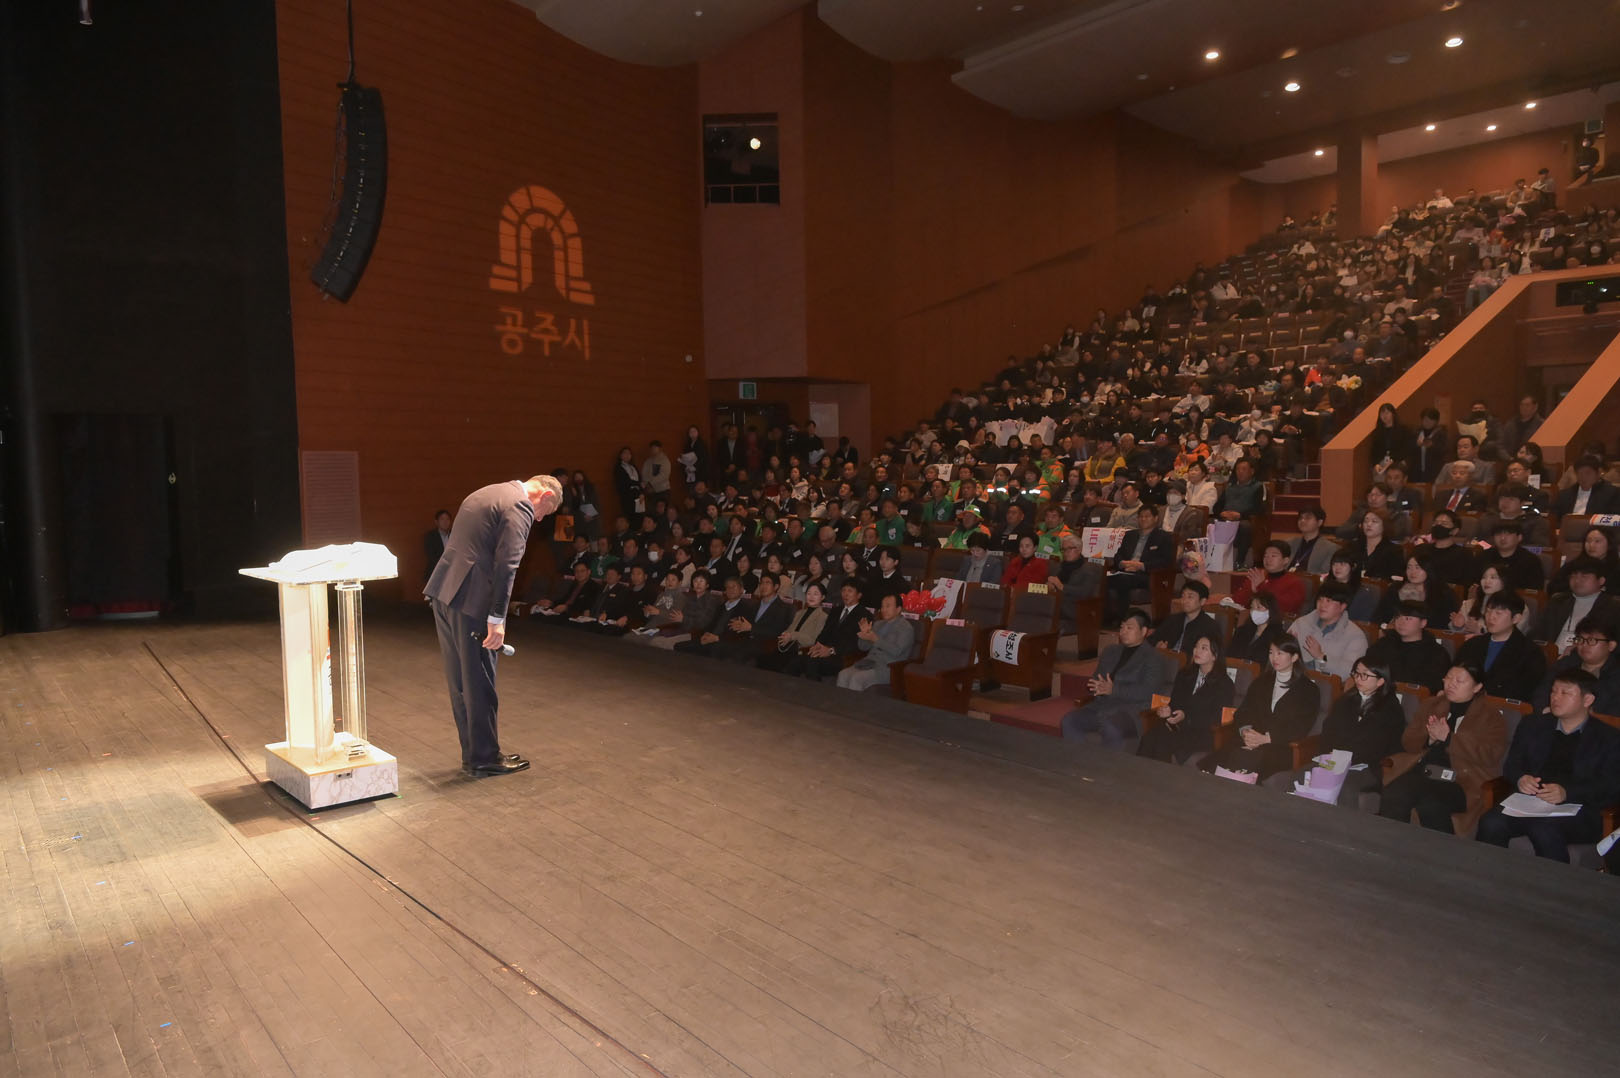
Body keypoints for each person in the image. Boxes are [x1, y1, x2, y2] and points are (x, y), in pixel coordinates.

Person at [423, 475, 562, 777]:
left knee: (460, 682)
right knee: (480, 680)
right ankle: (485, 758)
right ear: (545, 494)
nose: (539, 519)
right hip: (472, 601)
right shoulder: (519, 506)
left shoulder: (486, 492)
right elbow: (507, 565)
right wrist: (497, 618)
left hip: (445, 592)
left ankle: (473, 754)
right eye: (545, 512)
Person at [1476, 670, 1620, 862]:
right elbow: (1512, 765)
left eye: (1565, 693)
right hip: (1530, 803)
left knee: (1543, 829)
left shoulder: (1609, 738)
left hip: (1579, 809)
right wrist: (1521, 778)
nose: (1555, 698)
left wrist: (1567, 792)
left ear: (1587, 700)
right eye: (1553, 691)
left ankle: (1554, 881)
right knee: (1491, 822)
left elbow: (1610, 786)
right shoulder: (1533, 724)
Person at [1378, 663, 1506, 834]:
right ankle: (1390, 844)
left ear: (1477, 687)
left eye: (1459, 681)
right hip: (1425, 772)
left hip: (1461, 781)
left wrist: (1449, 739)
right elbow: (1408, 741)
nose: (1451, 684)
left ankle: (1441, 850)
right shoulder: (1431, 704)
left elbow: (1490, 755)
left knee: (1432, 805)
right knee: (1394, 793)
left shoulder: (1491, 716)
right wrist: (1429, 739)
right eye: (1449, 678)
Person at [1265, 659, 1406, 807]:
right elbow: (1328, 731)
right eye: (1356, 673)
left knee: (1345, 788)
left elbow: (1377, 745)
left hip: (1367, 766)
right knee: (1301, 775)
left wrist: (1344, 759)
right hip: (1332, 760)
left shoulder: (1390, 709)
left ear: (1380, 681)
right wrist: (1330, 755)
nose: (1358, 679)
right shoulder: (1346, 700)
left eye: (1364, 675)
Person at [1199, 639, 1319, 780]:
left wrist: (1266, 738)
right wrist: (1246, 732)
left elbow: (1300, 727)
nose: (1274, 658)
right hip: (1251, 739)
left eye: (1280, 653)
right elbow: (1243, 711)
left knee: (1247, 761)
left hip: (1281, 746)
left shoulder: (1308, 690)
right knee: (1217, 762)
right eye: (1271, 652)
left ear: (1294, 657)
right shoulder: (1262, 681)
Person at [1059, 611, 1167, 749]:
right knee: (1069, 721)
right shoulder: (1110, 651)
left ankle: (1108, 763)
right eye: (1122, 627)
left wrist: (1113, 690)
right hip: (1101, 706)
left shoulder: (1153, 657)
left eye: (1129, 628)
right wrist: (1096, 686)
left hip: (1131, 711)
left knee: (1110, 726)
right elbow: (1096, 678)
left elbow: (1148, 691)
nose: (1123, 632)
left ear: (1144, 631)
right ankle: (1081, 759)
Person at [1138, 633, 1234, 765]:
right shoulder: (1185, 674)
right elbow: (1175, 703)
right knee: (1151, 737)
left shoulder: (1224, 684)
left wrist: (1186, 716)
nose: (1197, 651)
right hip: (1178, 727)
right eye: (1196, 647)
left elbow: (1216, 717)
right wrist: (1168, 711)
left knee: (1163, 739)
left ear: (1215, 655)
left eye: (1204, 648)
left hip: (1202, 733)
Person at [1455, 593, 1546, 701]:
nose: (1491, 617)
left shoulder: (1531, 653)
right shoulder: (1472, 644)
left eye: (1498, 613)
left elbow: (1525, 691)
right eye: (1488, 611)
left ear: (1516, 618)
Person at [1532, 617, 1620, 716]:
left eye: (1591, 640)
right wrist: (1548, 711)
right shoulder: (1565, 664)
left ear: (1611, 645)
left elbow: (1611, 714)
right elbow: (1541, 694)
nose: (1584, 645)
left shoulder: (1616, 675)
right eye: (1580, 639)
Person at [1530, 556, 1620, 653]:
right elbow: (1537, 633)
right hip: (1550, 655)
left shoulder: (1613, 607)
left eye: (1584, 576)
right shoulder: (1558, 601)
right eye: (1573, 576)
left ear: (1601, 580)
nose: (1577, 580)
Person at [1105, 504, 1175, 623]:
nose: (1143, 519)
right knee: (1103, 579)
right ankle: (1106, 618)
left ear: (1156, 518)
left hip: (1147, 575)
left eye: (1147, 516)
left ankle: (1121, 618)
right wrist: (1122, 563)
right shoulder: (1129, 535)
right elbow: (1118, 555)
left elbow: (1165, 561)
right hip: (1126, 571)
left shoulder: (1164, 537)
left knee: (1122, 580)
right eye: (1141, 516)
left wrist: (1141, 566)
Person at [787, 580, 869, 682]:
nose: (845, 594)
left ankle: (814, 691)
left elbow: (855, 643)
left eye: (850, 591)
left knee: (812, 662)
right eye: (843, 590)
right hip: (824, 651)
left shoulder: (864, 615)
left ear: (859, 595)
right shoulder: (836, 610)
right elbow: (824, 632)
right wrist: (818, 644)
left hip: (842, 656)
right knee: (796, 661)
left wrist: (831, 650)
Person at [1365, 601, 1452, 693]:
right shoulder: (1382, 645)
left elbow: (1433, 688)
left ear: (1423, 623)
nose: (1401, 622)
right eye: (1398, 617)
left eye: (1408, 618)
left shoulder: (1436, 653)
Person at [838, 592, 918, 692]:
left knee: (857, 678)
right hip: (868, 663)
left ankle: (854, 703)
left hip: (888, 667)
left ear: (898, 609)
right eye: (882, 606)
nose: (883, 610)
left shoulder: (905, 628)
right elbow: (863, 647)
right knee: (843, 674)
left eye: (888, 606)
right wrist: (865, 635)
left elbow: (897, 651)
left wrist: (875, 639)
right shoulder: (878, 624)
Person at [1289, 582, 1368, 680]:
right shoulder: (1301, 623)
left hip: (1325, 685)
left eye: (1328, 601)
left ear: (1343, 606)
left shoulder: (1355, 636)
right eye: (1320, 599)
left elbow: (1350, 672)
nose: (1322, 605)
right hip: (1294, 678)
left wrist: (1321, 657)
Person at [757, 581, 829, 672]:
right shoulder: (799, 613)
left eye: (815, 594)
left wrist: (792, 636)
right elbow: (789, 630)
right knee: (761, 659)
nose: (811, 596)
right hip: (787, 647)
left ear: (822, 597)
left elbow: (813, 640)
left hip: (801, 651)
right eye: (809, 593)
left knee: (776, 664)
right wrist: (785, 635)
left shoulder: (823, 617)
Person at [1373, 556, 1456, 628]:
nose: (1412, 572)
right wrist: (1385, 626)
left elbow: (1446, 624)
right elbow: (1379, 616)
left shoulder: (1444, 593)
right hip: (1396, 634)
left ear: (1429, 569)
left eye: (1417, 567)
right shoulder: (1396, 589)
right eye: (1409, 567)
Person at [1231, 540, 1306, 615]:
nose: (1268, 559)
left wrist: (1261, 587)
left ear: (1285, 560)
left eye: (1273, 556)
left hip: (1278, 620)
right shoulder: (1258, 575)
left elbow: (1286, 607)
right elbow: (1237, 601)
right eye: (1265, 556)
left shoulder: (1294, 582)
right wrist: (1252, 591)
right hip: (1250, 617)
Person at [1151, 580, 1219, 657]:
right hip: (1166, 659)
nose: (1184, 600)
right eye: (1183, 596)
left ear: (1202, 601)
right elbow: (1152, 639)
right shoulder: (1173, 619)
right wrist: (1157, 645)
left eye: (1190, 597)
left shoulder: (1210, 626)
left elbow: (1212, 655)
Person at [1227, 591, 1288, 664]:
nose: (1254, 611)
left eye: (1258, 607)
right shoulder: (1241, 631)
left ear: (1270, 610)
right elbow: (1229, 655)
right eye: (1252, 607)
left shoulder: (1279, 637)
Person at [1554, 455, 1620, 516]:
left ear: (1598, 473)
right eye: (1580, 473)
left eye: (1588, 473)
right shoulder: (1565, 495)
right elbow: (1554, 516)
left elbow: (1614, 519)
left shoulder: (1612, 494)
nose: (1583, 477)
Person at [1288, 505, 1339, 574]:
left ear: (1319, 522)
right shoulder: (1289, 543)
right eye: (1300, 518)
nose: (1302, 520)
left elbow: (1324, 573)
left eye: (1308, 518)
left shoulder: (1330, 548)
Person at [423, 509, 453, 582]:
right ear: (436, 522)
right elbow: (431, 556)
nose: (445, 522)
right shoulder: (430, 536)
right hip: (436, 572)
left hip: (453, 571)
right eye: (442, 519)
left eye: (447, 519)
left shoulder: (454, 535)